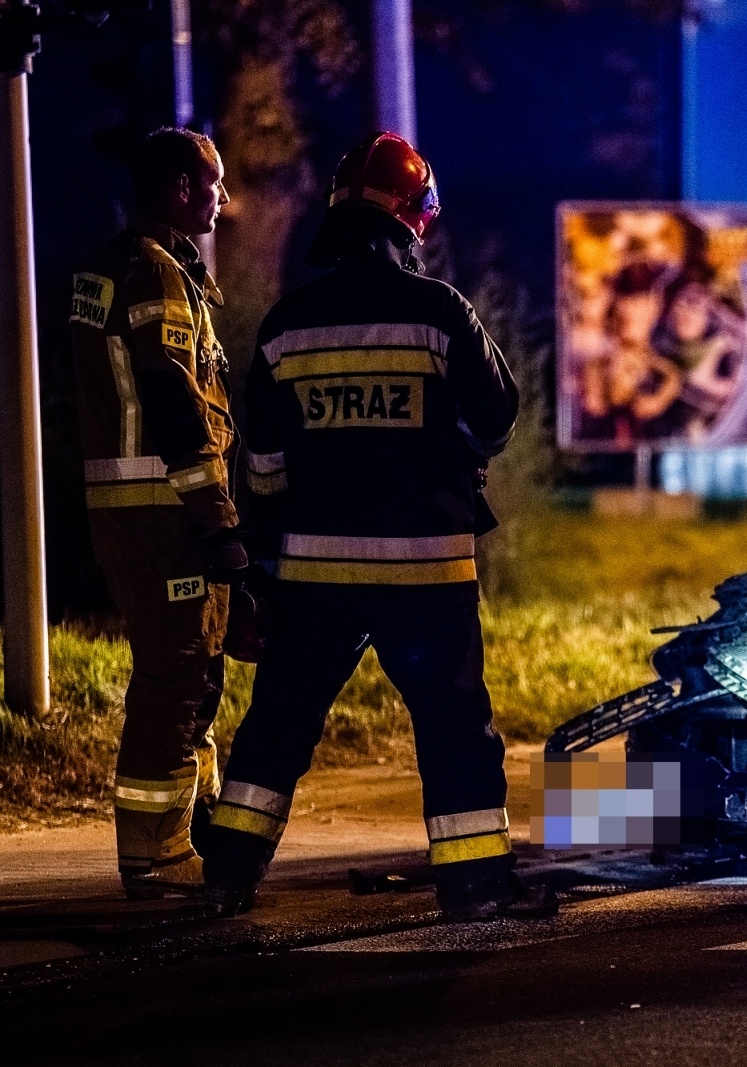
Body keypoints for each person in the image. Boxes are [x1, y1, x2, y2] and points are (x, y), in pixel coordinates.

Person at [201, 132, 539, 922]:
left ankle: (226, 877)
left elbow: (266, 466)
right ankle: (476, 885)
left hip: (315, 579)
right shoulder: (438, 312)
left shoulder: (288, 325)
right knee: (455, 729)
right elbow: (496, 420)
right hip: (425, 577)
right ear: (412, 221)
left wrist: (274, 554)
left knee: (277, 725)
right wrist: (441, 454)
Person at [67, 128, 246, 899]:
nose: (223, 202)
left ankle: (188, 826)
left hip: (137, 514)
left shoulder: (111, 269)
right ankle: (157, 852)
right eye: (213, 186)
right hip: (168, 514)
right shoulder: (156, 276)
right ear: (178, 188)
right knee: (178, 676)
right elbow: (177, 401)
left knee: (193, 672)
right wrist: (217, 514)